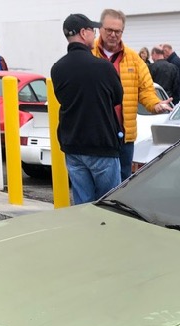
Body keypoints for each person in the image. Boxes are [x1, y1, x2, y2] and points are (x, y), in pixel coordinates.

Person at [51, 14, 123, 205]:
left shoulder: (58, 68)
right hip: (101, 143)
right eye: (93, 30)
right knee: (107, 205)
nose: (96, 34)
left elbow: (61, 98)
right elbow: (117, 98)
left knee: (82, 204)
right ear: (83, 33)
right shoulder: (104, 67)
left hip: (72, 144)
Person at [93, 9, 173, 181]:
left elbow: (146, 89)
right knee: (99, 187)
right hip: (96, 135)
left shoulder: (133, 59)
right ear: (100, 29)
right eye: (109, 30)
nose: (113, 35)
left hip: (124, 136)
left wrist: (155, 104)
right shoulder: (89, 55)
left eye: (118, 31)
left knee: (122, 186)